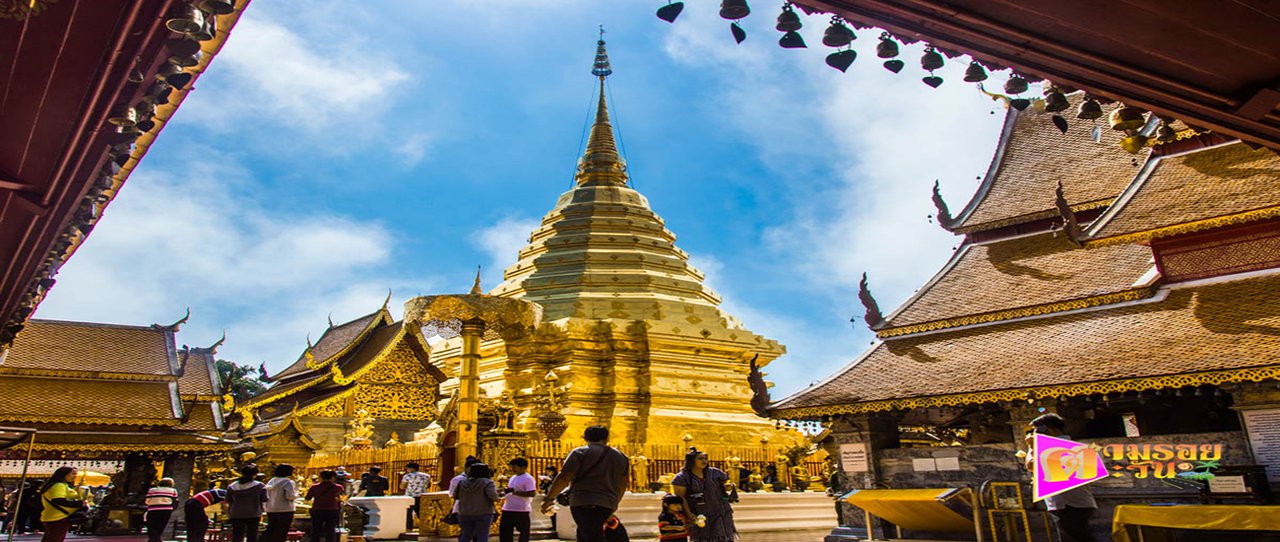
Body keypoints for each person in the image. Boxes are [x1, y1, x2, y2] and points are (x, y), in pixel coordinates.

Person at [539, 426, 630, 542]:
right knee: (588, 533)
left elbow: (564, 477)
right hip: (607, 502)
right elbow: (622, 484)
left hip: (583, 500)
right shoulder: (620, 457)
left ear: (585, 437)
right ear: (606, 438)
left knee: (589, 535)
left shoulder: (579, 452)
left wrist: (549, 498)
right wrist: (615, 502)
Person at [1027, 413, 1097, 542]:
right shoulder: (1077, 447)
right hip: (1080, 502)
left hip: (1067, 505)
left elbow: (1031, 465)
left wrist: (1032, 447)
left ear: (1047, 429)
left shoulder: (1053, 448)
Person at [672, 448, 737, 542]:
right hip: (699, 514)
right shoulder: (682, 477)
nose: (704, 461)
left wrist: (729, 487)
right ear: (691, 461)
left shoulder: (716, 473)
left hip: (720, 513)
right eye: (700, 458)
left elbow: (727, 484)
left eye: (705, 458)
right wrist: (689, 514)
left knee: (724, 537)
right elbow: (680, 498)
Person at [451, 462, 500, 542]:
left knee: (466, 535)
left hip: (464, 513)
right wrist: (499, 496)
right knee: (482, 535)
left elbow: (455, 496)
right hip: (483, 513)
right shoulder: (487, 482)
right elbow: (494, 497)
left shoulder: (462, 482)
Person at [226, 465, 269, 542]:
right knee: (252, 535)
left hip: (235, 513)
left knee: (237, 535)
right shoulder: (259, 486)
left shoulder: (232, 486)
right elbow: (264, 499)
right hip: (253, 513)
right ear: (255, 474)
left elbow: (228, 500)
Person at [499, 458, 537, 542]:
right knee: (505, 533)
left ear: (523, 467)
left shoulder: (528, 478)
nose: (512, 469)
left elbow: (532, 493)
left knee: (523, 533)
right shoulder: (513, 477)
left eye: (514, 467)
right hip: (508, 508)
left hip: (521, 509)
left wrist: (514, 492)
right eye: (511, 467)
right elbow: (510, 491)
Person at [39, 467, 81, 542]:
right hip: (58, 518)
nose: (75, 476)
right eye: (73, 474)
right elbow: (59, 500)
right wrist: (78, 504)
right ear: (64, 474)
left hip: (53, 517)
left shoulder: (60, 485)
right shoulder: (59, 486)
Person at [305, 471, 344, 542]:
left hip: (317, 510)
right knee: (330, 530)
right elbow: (341, 498)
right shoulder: (338, 487)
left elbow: (307, 498)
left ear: (320, 477)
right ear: (333, 477)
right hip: (332, 510)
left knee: (316, 529)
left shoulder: (314, 487)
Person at [264, 464, 298, 542]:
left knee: (272, 530)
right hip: (285, 510)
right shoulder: (288, 482)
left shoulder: (272, 480)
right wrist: (296, 494)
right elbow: (289, 496)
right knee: (282, 531)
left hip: (271, 509)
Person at [144, 477, 179, 542]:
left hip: (153, 509)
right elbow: (175, 501)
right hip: (167, 510)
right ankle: (156, 539)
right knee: (161, 525)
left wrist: (151, 504)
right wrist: (172, 508)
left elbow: (147, 500)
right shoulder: (173, 491)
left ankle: (154, 539)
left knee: (152, 525)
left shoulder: (152, 490)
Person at [401, 462, 432, 531]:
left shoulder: (407, 476)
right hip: (422, 496)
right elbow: (428, 485)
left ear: (411, 468)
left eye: (407, 469)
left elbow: (402, 487)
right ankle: (426, 527)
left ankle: (409, 528)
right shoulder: (427, 476)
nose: (407, 470)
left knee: (408, 512)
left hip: (410, 496)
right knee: (421, 512)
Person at [538, 466, 558, 531]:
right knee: (550, 511)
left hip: (556, 496)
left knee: (555, 511)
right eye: (547, 471)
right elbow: (542, 487)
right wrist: (545, 483)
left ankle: (556, 526)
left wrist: (551, 482)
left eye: (549, 471)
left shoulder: (557, 478)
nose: (548, 473)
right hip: (548, 496)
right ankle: (553, 526)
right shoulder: (546, 478)